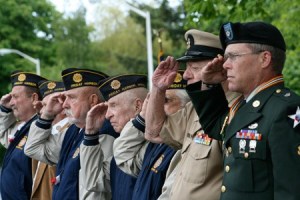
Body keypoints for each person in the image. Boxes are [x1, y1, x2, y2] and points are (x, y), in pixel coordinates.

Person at [186, 22, 300, 200]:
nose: (225, 65)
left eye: (233, 57)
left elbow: (291, 191)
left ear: (264, 59)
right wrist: (209, 84)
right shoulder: (245, 105)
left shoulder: (287, 109)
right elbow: (216, 127)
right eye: (226, 58)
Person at [145, 29, 239, 200]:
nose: (186, 75)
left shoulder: (238, 111)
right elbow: (153, 132)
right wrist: (158, 89)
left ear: (219, 69)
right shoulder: (194, 109)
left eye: (194, 68)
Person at [24, 68, 116, 199]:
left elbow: (97, 188)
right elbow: (32, 148)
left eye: (71, 97)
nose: (64, 104)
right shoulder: (74, 130)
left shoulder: (105, 132)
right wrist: (47, 115)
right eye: (64, 97)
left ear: (93, 100)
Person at [113, 70, 190, 200]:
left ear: (187, 107)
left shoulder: (186, 145)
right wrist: (143, 116)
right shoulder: (157, 142)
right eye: (155, 101)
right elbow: (123, 156)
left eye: (165, 100)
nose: (157, 106)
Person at [80, 74, 148, 200]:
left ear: (138, 106)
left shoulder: (155, 146)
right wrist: (91, 133)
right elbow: (92, 182)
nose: (107, 115)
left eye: (113, 105)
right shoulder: (118, 152)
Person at [0, 71, 46, 199]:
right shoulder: (22, 127)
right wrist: (4, 110)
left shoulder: (43, 128)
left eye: (15, 97)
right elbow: (4, 136)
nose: (12, 102)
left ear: (34, 98)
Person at [29, 80, 70, 200]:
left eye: (46, 106)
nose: (42, 111)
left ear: (62, 108)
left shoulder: (68, 133)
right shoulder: (51, 132)